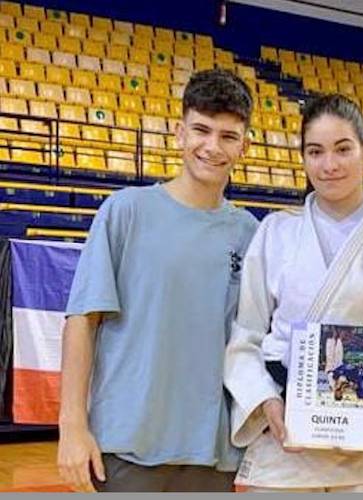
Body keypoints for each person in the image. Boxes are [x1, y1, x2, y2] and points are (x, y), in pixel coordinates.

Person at [224, 93, 363, 492]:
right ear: (303, 158)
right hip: (284, 434)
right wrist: (265, 402)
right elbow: (246, 335)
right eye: (315, 151)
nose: (329, 165)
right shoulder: (275, 232)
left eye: (343, 149)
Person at [57, 69, 259, 492]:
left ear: (245, 145)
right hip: (127, 444)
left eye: (227, 135)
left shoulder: (251, 233)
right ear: (179, 132)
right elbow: (82, 321)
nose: (212, 146)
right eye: (201, 130)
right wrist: (72, 426)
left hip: (213, 452)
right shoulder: (124, 211)